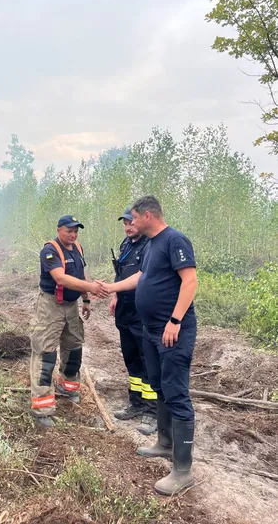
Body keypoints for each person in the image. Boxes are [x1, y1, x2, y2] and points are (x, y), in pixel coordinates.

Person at [103, 196, 198, 495]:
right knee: (157, 383)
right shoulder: (151, 244)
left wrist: (175, 320)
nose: (130, 222)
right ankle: (165, 442)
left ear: (147, 215)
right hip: (151, 330)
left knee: (176, 391)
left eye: (133, 217)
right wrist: (111, 287)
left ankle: (183, 470)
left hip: (172, 331)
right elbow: (141, 277)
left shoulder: (174, 240)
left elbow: (190, 281)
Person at [30, 215, 108, 428]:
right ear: (58, 230)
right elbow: (61, 278)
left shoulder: (77, 248)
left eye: (76, 231)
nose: (73, 234)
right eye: (68, 230)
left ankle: (68, 387)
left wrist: (86, 298)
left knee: (74, 349)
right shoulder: (50, 251)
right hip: (50, 307)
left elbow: (80, 273)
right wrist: (91, 286)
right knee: (46, 355)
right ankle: (42, 408)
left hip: (72, 306)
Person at [110, 207, 157, 435]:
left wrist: (112, 288)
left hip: (142, 310)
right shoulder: (125, 244)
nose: (128, 227)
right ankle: (136, 403)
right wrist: (115, 295)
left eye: (131, 222)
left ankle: (152, 411)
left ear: (140, 221)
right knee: (130, 357)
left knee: (147, 358)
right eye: (125, 223)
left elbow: (141, 278)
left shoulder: (150, 245)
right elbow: (120, 272)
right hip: (124, 309)